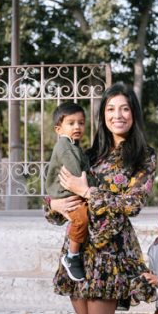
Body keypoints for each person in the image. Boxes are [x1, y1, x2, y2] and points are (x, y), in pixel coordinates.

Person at [46, 83, 156, 314]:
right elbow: (57, 196)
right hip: (78, 249)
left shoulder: (143, 157)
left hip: (110, 251)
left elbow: (131, 205)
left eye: (124, 109)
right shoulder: (87, 153)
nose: (117, 115)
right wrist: (55, 205)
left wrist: (87, 191)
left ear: (133, 113)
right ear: (102, 116)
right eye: (110, 110)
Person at [45, 102, 92, 281]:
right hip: (65, 193)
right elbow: (75, 171)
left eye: (81, 123)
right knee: (81, 219)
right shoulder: (65, 146)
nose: (77, 127)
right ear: (59, 129)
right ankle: (71, 256)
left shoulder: (74, 145)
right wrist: (89, 185)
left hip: (72, 190)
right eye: (71, 123)